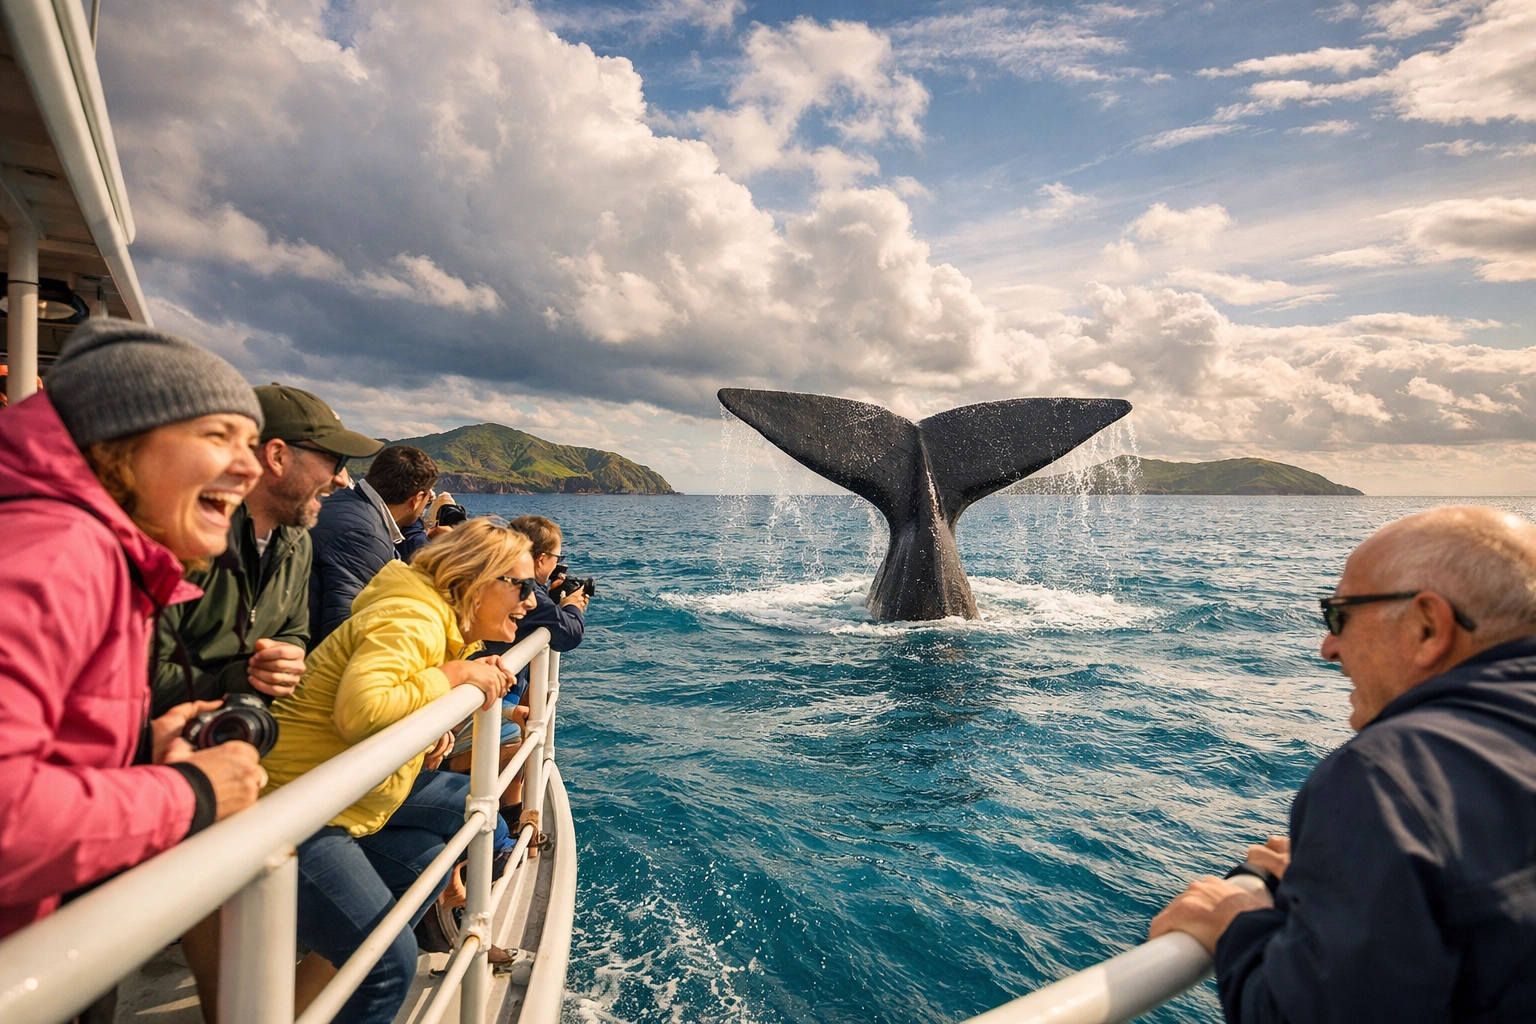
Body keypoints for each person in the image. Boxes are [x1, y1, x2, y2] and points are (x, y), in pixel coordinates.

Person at [1149, 506, 1536, 1023]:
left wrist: (1237, 921)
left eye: (1339, 616)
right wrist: (1358, 883)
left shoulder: (1390, 776)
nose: (1328, 648)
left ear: (1428, 627)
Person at [0, 319, 268, 938]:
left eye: (251, 443)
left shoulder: (90, 551)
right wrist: (192, 792)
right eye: (218, 435)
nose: (250, 467)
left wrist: (135, 750)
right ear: (119, 442)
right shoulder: (57, 554)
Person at [260, 518, 539, 1024]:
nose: (532, 601)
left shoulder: (438, 620)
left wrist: (440, 708)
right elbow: (361, 709)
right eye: (521, 585)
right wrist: (452, 676)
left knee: (429, 862)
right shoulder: (413, 615)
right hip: (291, 811)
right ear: (478, 582)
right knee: (387, 968)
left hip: (338, 801)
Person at [150, 385, 382, 717]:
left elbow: (295, 632)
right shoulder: (183, 538)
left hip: (230, 737)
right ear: (276, 456)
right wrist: (240, 679)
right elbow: (134, 676)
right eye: (335, 460)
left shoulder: (296, 541)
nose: (343, 480)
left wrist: (286, 657)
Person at [309, 445, 439, 644]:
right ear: (417, 499)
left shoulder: (344, 502)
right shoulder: (366, 535)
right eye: (428, 498)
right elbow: (345, 630)